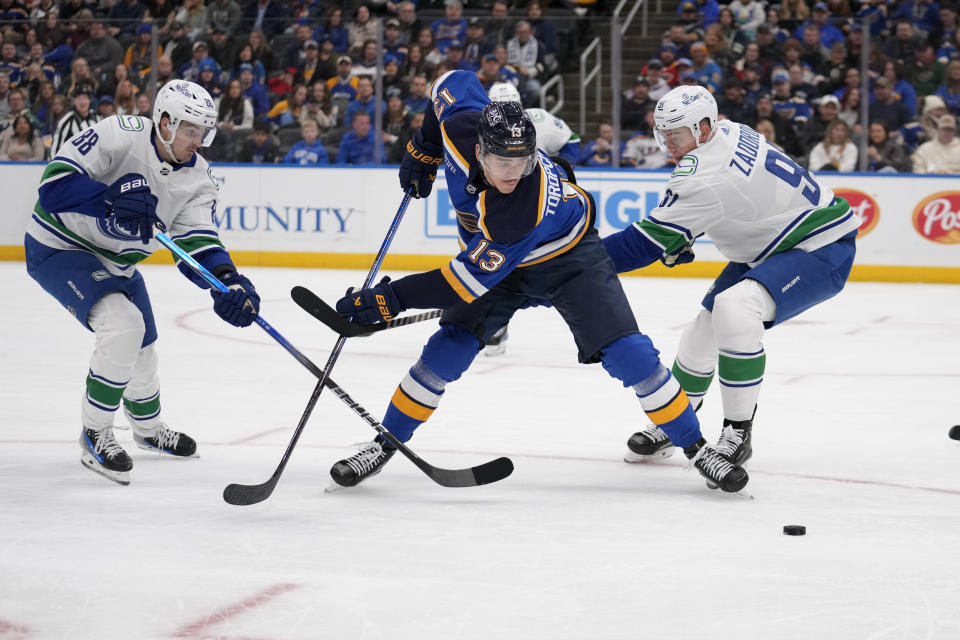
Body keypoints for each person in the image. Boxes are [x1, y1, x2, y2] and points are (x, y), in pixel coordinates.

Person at [326, 70, 749, 494]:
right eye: (503, 162)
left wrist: (390, 298)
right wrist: (425, 147)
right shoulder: (461, 125)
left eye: (523, 161)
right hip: (496, 261)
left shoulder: (520, 206)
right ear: (479, 149)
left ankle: (697, 448)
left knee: (630, 354)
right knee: (446, 350)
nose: (514, 173)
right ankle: (385, 443)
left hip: (569, 259)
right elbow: (449, 82)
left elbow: (461, 282)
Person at [599, 85, 858, 484]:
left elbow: (641, 245)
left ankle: (739, 431)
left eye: (676, 134)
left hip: (820, 247)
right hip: (776, 241)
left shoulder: (704, 173)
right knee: (703, 329)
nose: (667, 142)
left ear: (703, 128)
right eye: (663, 132)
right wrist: (681, 232)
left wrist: (572, 264)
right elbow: (741, 198)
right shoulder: (729, 129)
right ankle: (678, 419)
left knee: (735, 309)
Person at [24, 80, 260, 486]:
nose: (198, 141)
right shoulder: (119, 134)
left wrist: (227, 282)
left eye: (204, 132)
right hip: (61, 246)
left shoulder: (200, 178)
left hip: (120, 263)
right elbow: (53, 185)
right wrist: (109, 200)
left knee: (144, 351)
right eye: (190, 130)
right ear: (164, 122)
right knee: (124, 327)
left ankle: (147, 430)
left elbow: (198, 242)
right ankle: (95, 431)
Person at [488, 82, 580, 164]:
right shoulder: (484, 126)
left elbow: (572, 138)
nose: (509, 115)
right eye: (501, 110)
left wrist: (562, 167)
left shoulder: (540, 119)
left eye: (513, 108)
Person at [51, 86, 101, 153]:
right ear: (74, 101)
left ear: (89, 101)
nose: (82, 102)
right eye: (79, 99)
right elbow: (56, 147)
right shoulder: (66, 120)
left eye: (85, 98)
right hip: (74, 162)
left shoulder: (97, 117)